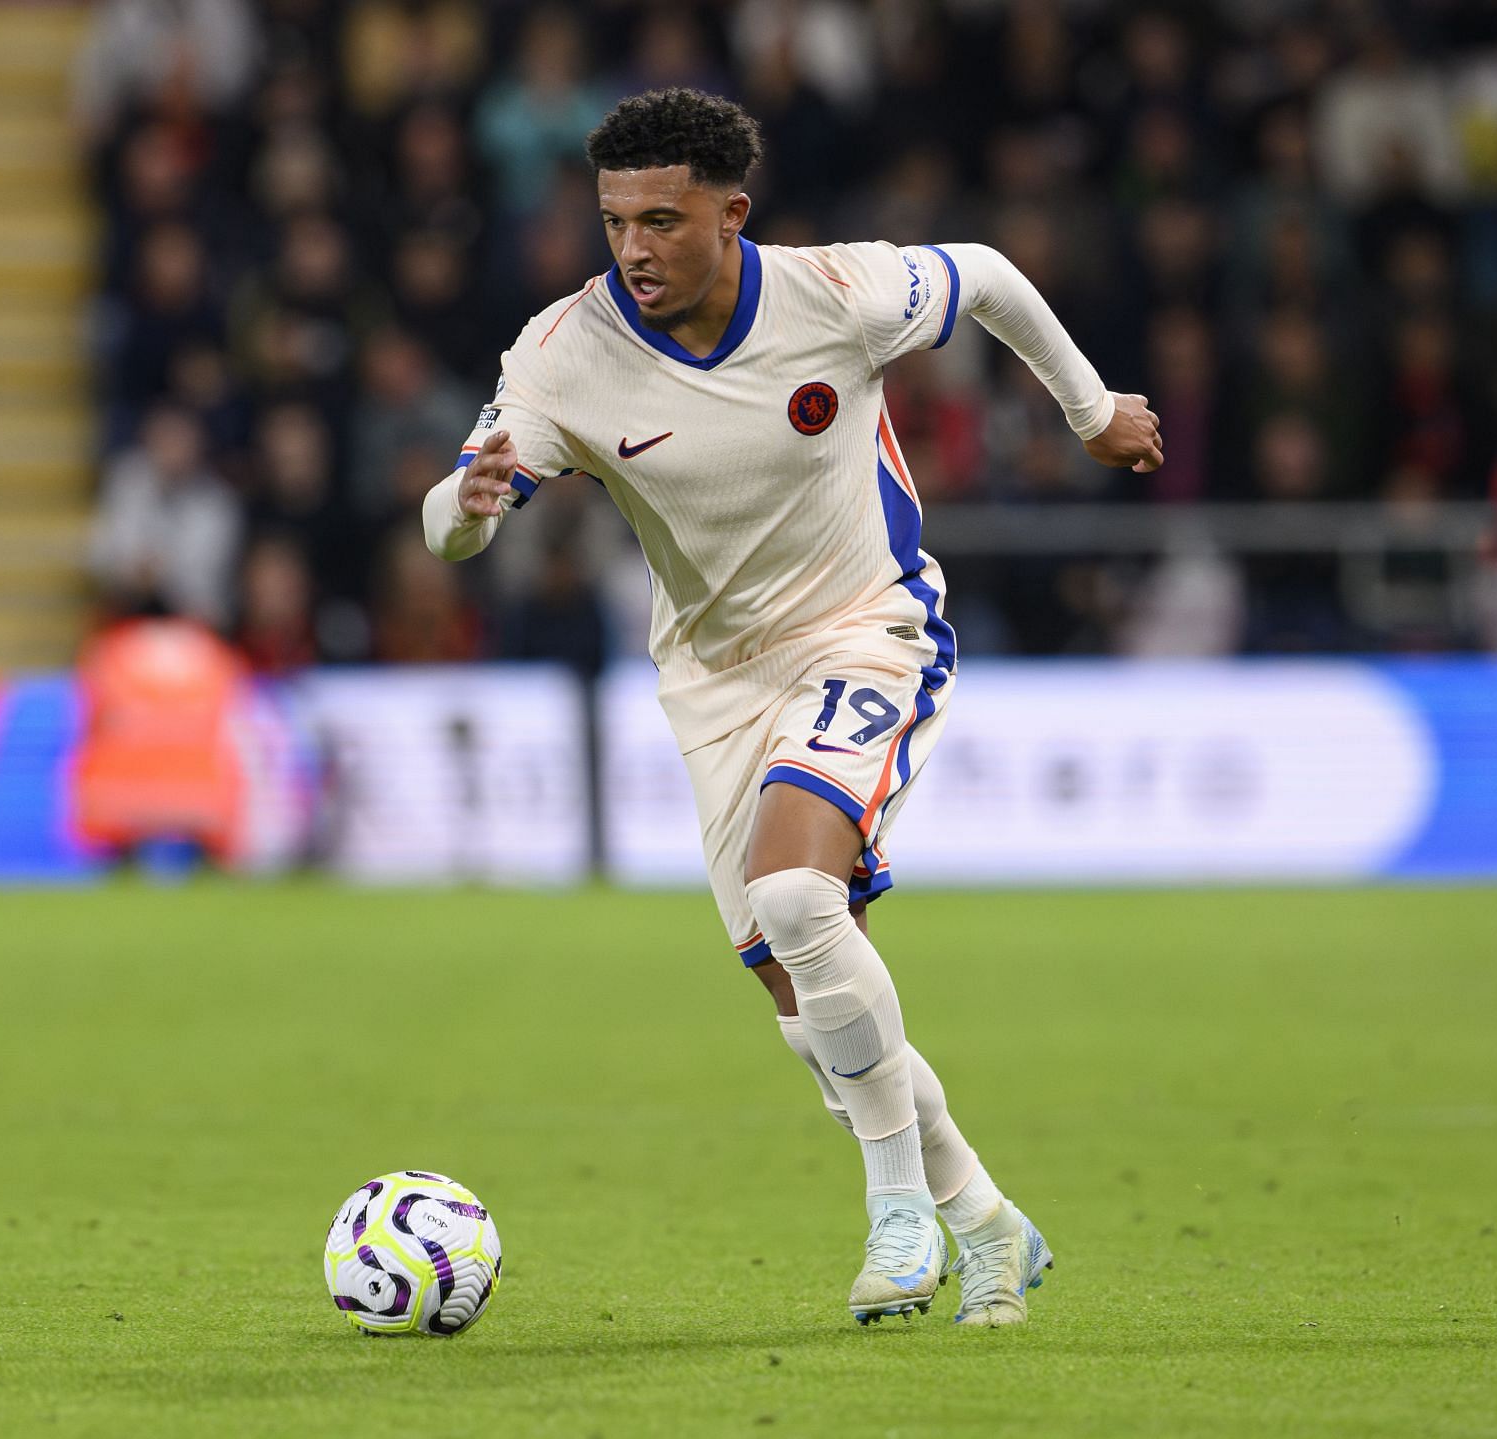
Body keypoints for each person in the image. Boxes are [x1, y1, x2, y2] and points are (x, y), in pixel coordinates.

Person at [422, 90, 1161, 1327]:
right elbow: (448, 527)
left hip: (866, 630)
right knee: (806, 1004)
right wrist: (472, 500)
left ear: (732, 213)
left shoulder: (836, 294)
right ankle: (986, 1218)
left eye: (663, 219)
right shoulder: (565, 352)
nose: (635, 249)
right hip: (714, 683)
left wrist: (1091, 414)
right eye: (614, 221)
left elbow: (983, 276)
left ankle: (895, 1215)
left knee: (796, 897)